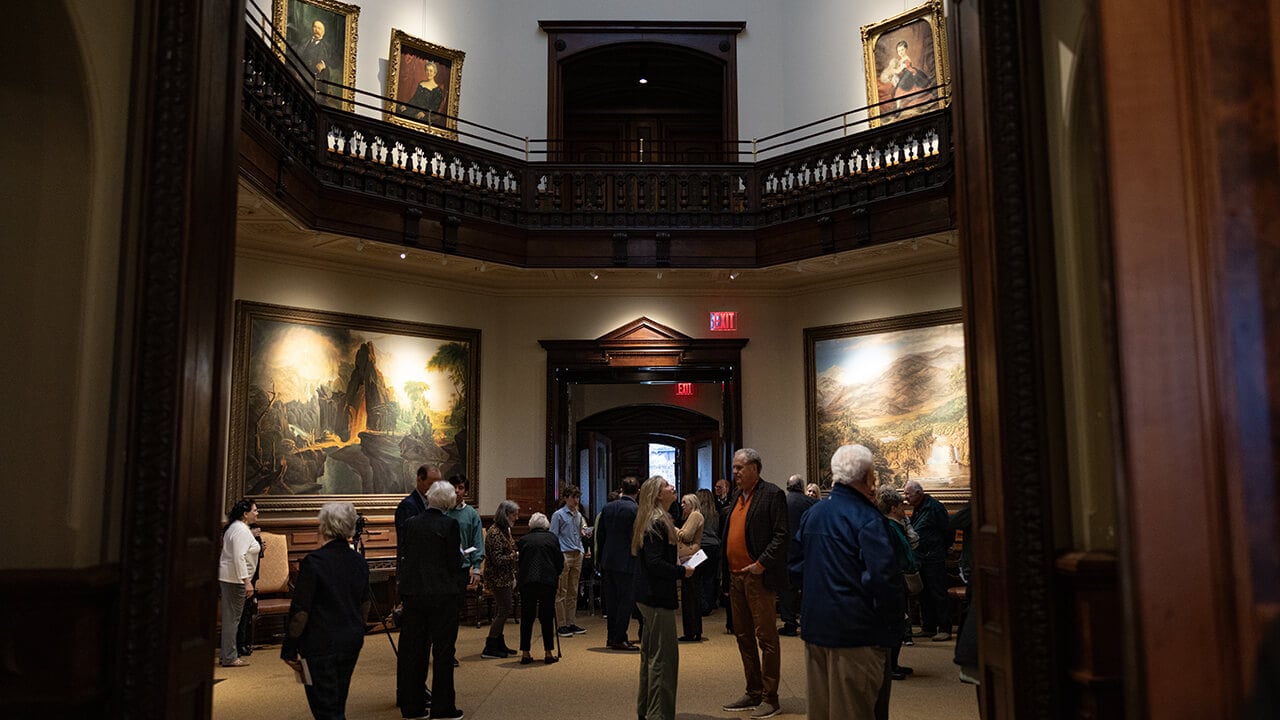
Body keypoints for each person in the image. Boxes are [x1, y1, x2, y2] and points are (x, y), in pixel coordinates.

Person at [797, 445, 904, 720]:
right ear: (868, 477)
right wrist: (892, 626)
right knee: (855, 711)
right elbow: (884, 580)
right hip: (857, 635)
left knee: (821, 711)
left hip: (815, 629)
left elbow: (797, 565)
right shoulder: (868, 519)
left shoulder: (814, 513)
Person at [280, 502, 371, 720]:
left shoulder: (314, 562)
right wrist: (358, 629)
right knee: (338, 701)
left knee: (325, 709)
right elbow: (364, 603)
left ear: (324, 526)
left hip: (320, 642)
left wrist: (289, 648)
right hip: (351, 639)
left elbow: (301, 611)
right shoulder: (359, 561)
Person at [720, 448, 788, 719]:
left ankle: (771, 697)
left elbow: (782, 536)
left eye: (740, 467)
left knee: (766, 638)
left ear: (755, 469)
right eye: (734, 468)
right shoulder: (736, 497)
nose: (735, 472)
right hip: (736, 577)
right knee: (743, 636)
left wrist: (761, 564)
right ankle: (753, 690)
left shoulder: (772, 495)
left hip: (758, 577)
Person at [396, 480, 467, 720]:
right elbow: (453, 564)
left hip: (415, 595)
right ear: (448, 501)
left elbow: (406, 558)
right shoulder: (450, 525)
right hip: (442, 595)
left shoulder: (410, 524)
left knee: (414, 653)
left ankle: (412, 707)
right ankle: (442, 708)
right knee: (443, 652)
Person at [632, 476, 696, 720]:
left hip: (648, 596)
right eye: (668, 486)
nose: (673, 488)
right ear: (659, 495)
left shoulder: (652, 519)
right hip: (656, 598)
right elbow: (656, 564)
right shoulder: (658, 522)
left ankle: (646, 709)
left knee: (651, 656)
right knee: (663, 661)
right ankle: (659, 714)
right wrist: (683, 571)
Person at [393, 465, 439, 707]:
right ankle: (406, 690)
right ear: (420, 480)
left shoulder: (432, 506)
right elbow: (407, 545)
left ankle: (419, 687)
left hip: (427, 582)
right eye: (432, 482)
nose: (436, 487)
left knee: (424, 642)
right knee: (412, 642)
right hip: (413, 580)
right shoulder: (408, 506)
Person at [875, 486, 917, 690]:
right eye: (901, 505)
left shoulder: (897, 525)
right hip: (895, 578)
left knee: (901, 623)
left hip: (901, 577)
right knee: (895, 623)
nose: (904, 509)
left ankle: (895, 664)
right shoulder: (889, 527)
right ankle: (890, 667)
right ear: (893, 507)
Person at [596, 476, 642, 651]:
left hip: (608, 560)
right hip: (628, 561)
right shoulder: (636, 510)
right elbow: (636, 537)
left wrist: (600, 559)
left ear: (621, 489)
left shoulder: (607, 508)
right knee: (626, 601)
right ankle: (620, 637)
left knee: (612, 600)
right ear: (637, 491)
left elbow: (600, 536)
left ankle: (611, 636)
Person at [904, 480, 953, 641]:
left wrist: (942, 549)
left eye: (908, 494)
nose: (906, 498)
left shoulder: (935, 507)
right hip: (920, 556)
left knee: (938, 592)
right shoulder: (918, 508)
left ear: (919, 493)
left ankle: (945, 628)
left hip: (934, 556)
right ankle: (929, 627)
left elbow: (947, 531)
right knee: (923, 593)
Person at [218, 499, 261, 668]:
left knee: (231, 618)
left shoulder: (236, 528)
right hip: (235, 580)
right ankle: (229, 657)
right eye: (255, 510)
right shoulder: (241, 530)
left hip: (230, 578)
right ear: (245, 513)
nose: (257, 513)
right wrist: (247, 581)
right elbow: (238, 557)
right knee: (232, 619)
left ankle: (227, 654)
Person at [516, 512, 564, 665]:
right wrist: (556, 574)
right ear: (546, 525)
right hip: (547, 582)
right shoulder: (552, 539)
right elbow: (559, 561)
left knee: (527, 617)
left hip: (527, 582)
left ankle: (525, 653)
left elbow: (520, 562)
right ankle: (548, 652)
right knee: (547, 617)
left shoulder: (523, 540)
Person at [481, 500, 520, 659]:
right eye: (514, 514)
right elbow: (497, 559)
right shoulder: (495, 532)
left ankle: (499, 642)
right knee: (504, 610)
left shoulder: (505, 530)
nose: (516, 517)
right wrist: (515, 556)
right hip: (498, 578)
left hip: (506, 576)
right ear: (505, 514)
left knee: (503, 609)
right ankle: (490, 645)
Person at [779, 475, 818, 637]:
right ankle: (810, 623)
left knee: (787, 591)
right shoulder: (812, 503)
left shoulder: (782, 503)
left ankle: (789, 624)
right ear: (802, 487)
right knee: (809, 589)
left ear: (788, 486)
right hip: (807, 551)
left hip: (786, 551)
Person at [550, 484, 588, 637]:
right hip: (564, 554)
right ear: (566, 498)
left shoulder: (578, 515)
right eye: (573, 497)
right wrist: (557, 555)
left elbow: (579, 535)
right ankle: (561, 624)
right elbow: (553, 536)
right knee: (561, 591)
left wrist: (582, 550)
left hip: (577, 553)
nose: (576, 500)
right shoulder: (558, 515)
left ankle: (571, 622)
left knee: (573, 590)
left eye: (577, 497)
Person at [675, 493, 704, 642]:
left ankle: (693, 631)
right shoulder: (690, 517)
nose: (682, 505)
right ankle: (692, 630)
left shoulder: (695, 516)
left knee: (691, 596)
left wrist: (673, 529)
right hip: (689, 557)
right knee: (688, 595)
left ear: (692, 503)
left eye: (684, 502)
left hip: (692, 558)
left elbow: (687, 536)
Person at [879, 39, 932, 114]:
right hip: (906, 74)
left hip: (910, 74)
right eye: (899, 51)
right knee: (898, 88)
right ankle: (898, 107)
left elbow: (898, 71)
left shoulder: (906, 59)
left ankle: (898, 108)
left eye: (902, 50)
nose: (900, 52)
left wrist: (891, 71)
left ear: (906, 49)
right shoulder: (901, 60)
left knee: (899, 90)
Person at [235, 521, 265, 657]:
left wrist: (261, 549)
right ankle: (238, 645)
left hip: (253, 577)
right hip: (243, 577)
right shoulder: (241, 535)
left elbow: (258, 558)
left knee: (247, 613)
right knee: (241, 613)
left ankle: (246, 643)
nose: (258, 530)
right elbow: (239, 557)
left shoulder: (256, 539)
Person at [694, 488, 722, 615]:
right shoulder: (716, 514)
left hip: (701, 546)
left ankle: (701, 604)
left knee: (698, 576)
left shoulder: (696, 514)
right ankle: (710, 603)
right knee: (710, 577)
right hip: (714, 546)